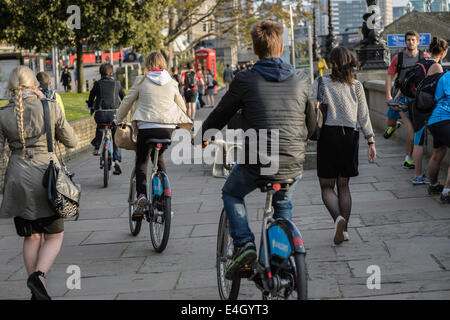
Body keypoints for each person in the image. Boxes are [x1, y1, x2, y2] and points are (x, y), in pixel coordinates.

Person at [198, 20, 316, 279]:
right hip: (292, 161)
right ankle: (282, 261)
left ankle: (244, 244)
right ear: (282, 46)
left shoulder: (245, 79)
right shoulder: (301, 78)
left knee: (231, 192)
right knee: (283, 202)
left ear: (254, 48)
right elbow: (312, 125)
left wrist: (205, 134)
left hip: (258, 161)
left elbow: (221, 112)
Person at [0, 66, 78, 300]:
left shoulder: (3, 114)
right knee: (54, 235)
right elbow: (72, 140)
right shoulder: (50, 106)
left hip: (17, 178)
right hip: (48, 177)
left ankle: (37, 291)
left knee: (31, 236)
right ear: (34, 83)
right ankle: (38, 276)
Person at [116, 51, 192, 218]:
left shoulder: (141, 80)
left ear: (148, 64)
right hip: (167, 129)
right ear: (163, 63)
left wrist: (118, 119)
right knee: (158, 159)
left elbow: (127, 101)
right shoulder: (172, 82)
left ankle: (141, 196)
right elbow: (183, 108)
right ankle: (162, 201)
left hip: (147, 127)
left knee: (142, 162)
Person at [313, 47, 376, 245]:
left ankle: (337, 219)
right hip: (350, 136)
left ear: (331, 63)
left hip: (328, 136)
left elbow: (310, 105)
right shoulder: (356, 85)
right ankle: (345, 230)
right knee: (344, 185)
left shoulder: (321, 82)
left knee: (326, 186)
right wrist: (371, 141)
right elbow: (364, 115)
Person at [385, 30, 431, 169]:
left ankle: (408, 158)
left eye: (413, 40)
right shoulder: (398, 57)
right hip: (398, 96)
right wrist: (388, 95)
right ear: (405, 42)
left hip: (413, 99)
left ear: (418, 42)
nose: (410, 42)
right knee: (390, 122)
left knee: (412, 130)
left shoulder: (424, 56)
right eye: (408, 40)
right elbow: (389, 76)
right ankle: (394, 126)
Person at [411, 37, 448, 185]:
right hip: (426, 108)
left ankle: (423, 177)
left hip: (417, 103)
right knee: (418, 142)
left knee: (418, 140)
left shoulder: (423, 61)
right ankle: (419, 176)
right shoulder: (437, 67)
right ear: (444, 52)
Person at [88, 63, 125, 175]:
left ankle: (97, 146)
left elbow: (91, 96)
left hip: (101, 114)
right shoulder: (117, 83)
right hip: (114, 115)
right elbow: (124, 97)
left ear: (101, 73)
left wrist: (90, 106)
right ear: (111, 73)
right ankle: (117, 159)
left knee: (100, 128)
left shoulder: (97, 84)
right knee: (116, 137)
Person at [426, 52, 450, 204]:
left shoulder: (445, 76)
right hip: (444, 120)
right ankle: (447, 192)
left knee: (438, 153)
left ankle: (434, 185)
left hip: (434, 120)